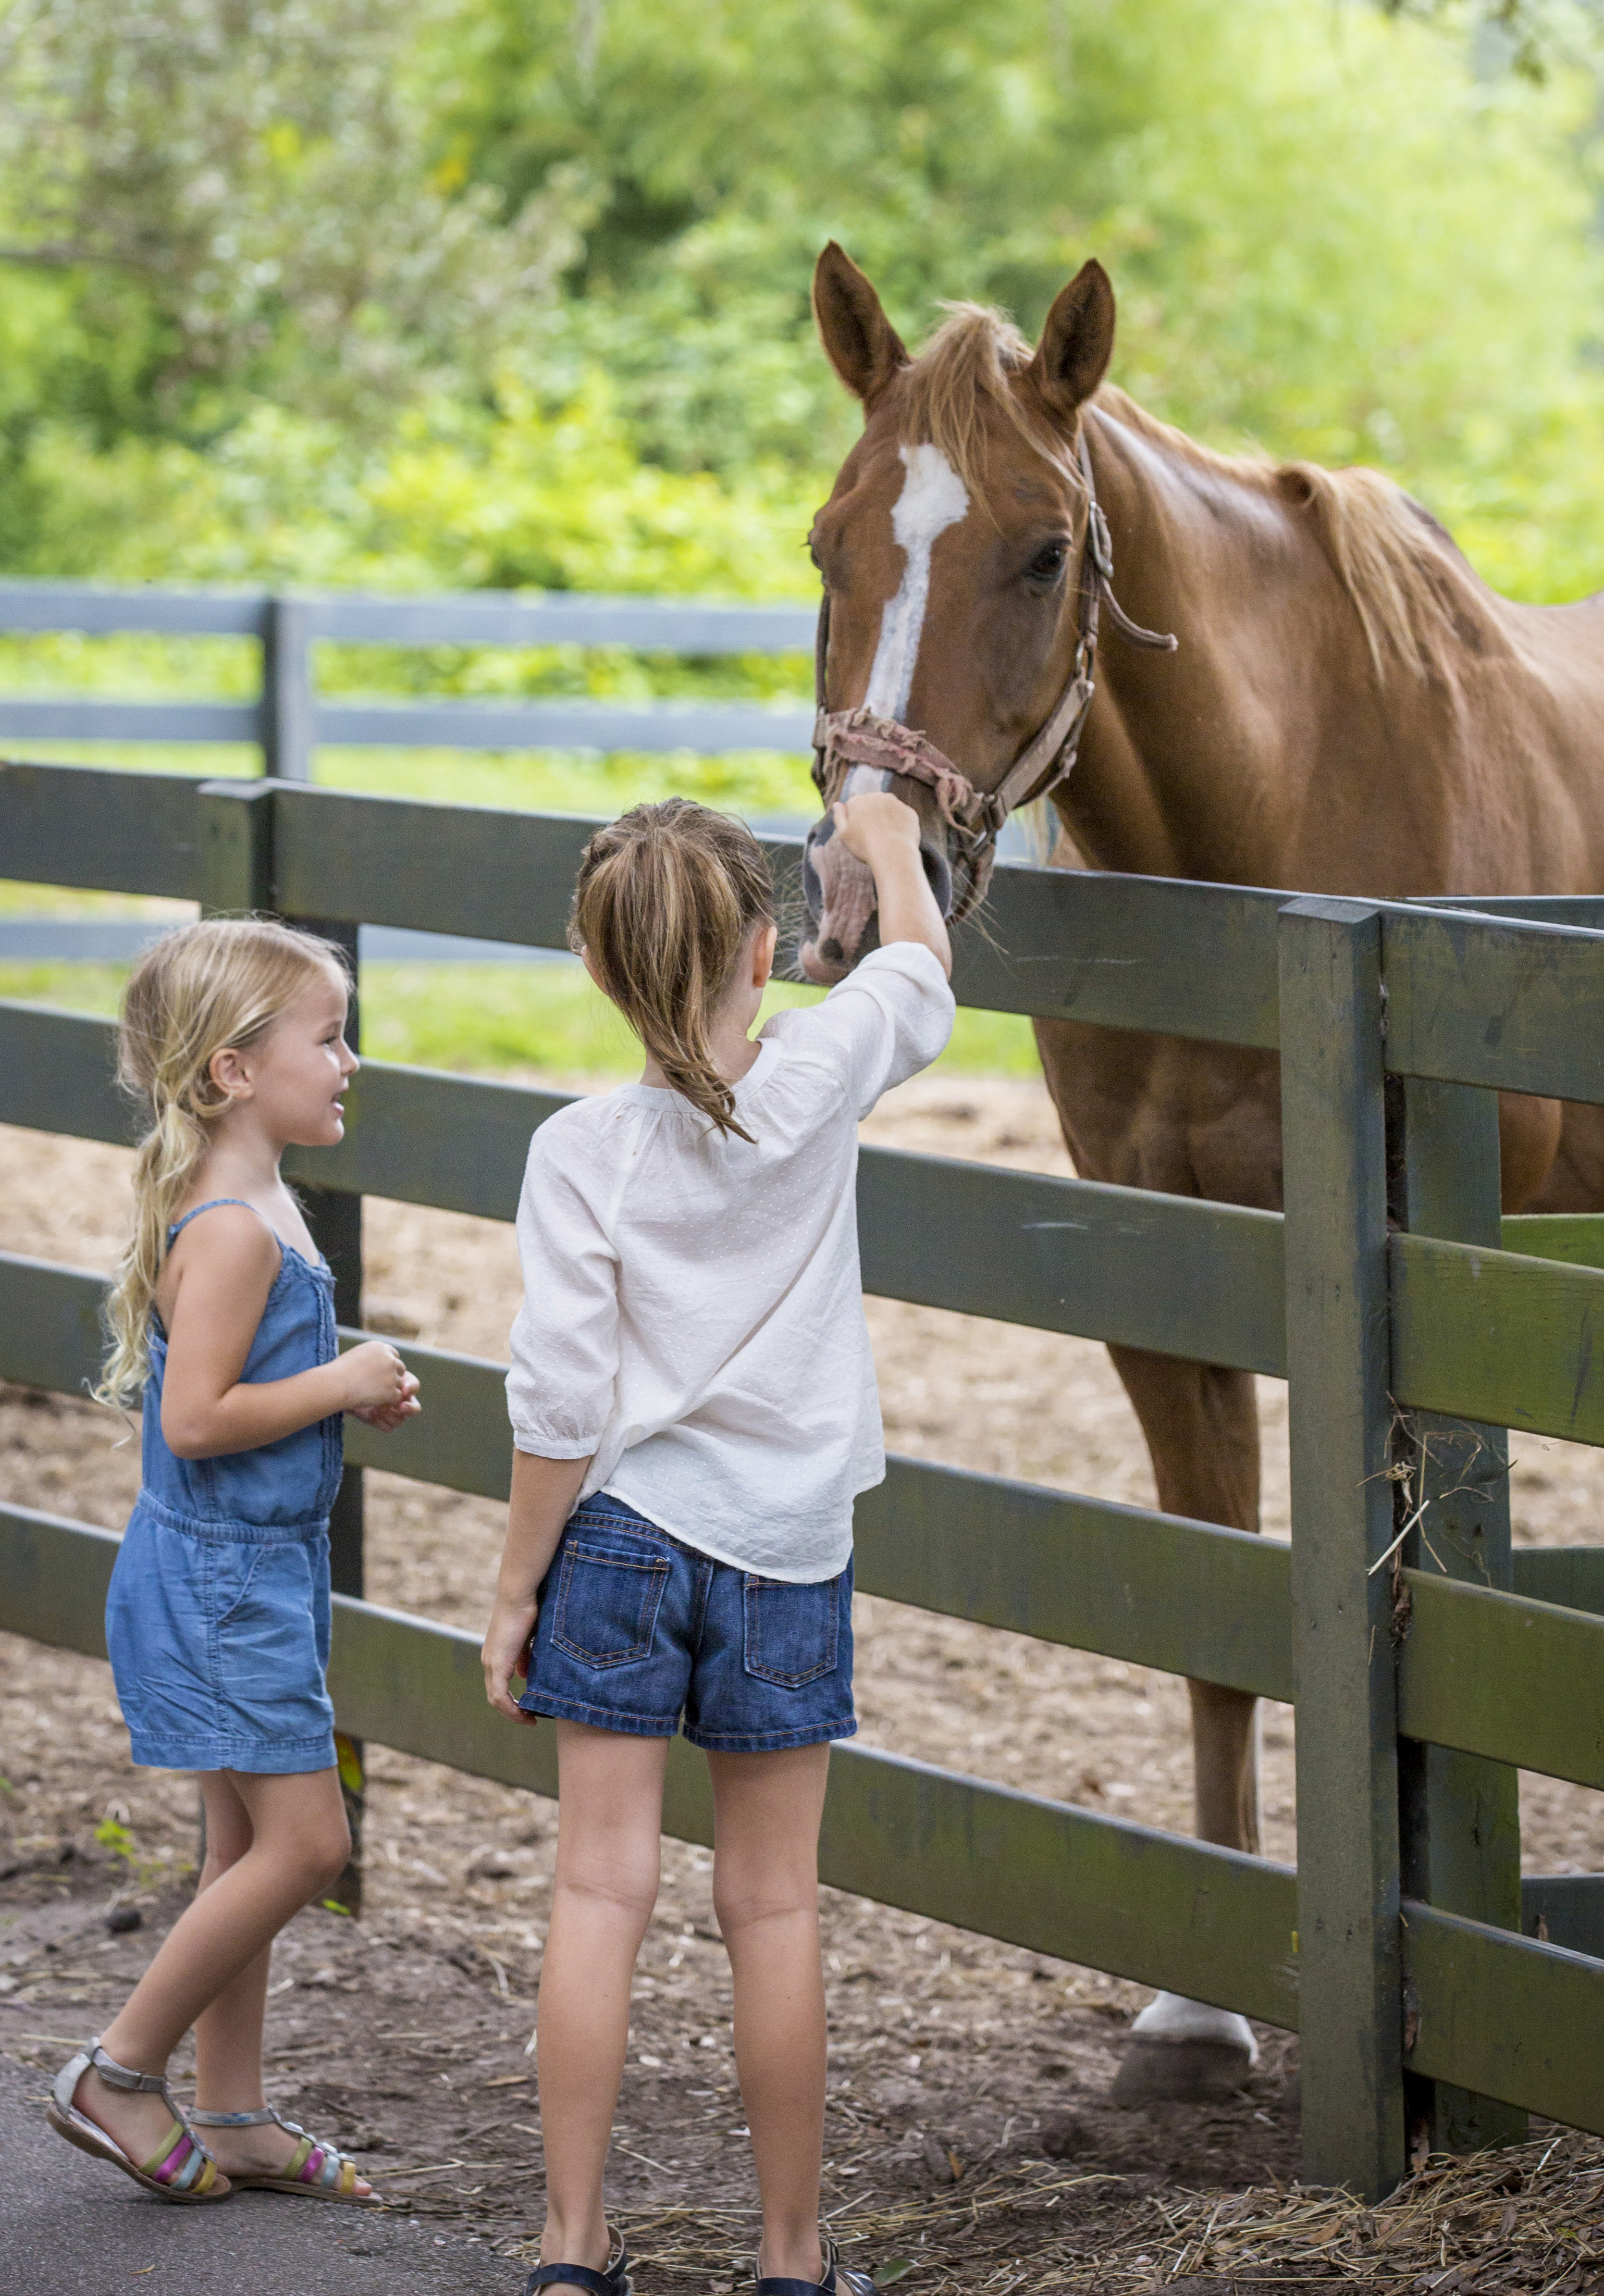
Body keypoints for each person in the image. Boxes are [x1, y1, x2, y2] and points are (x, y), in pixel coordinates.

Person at [481, 791, 955, 2296]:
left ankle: (572, 2251)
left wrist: (514, 1590)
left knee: (595, 1892)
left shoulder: (577, 1153)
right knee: (773, 1906)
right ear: (765, 950)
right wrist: (886, 838)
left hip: (620, 1542)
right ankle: (792, 2261)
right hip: (786, 1549)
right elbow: (922, 971)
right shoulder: (818, 1070)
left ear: (594, 965)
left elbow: (562, 1405)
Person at [48, 916, 420, 2206]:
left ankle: (234, 2112)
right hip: (223, 1584)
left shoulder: (258, 1202)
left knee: (242, 1848)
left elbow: (228, 1392)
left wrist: (332, 1387)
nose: (350, 1062)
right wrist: (342, 1381)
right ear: (233, 1071)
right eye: (329, 1039)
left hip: (251, 1569)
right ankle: (119, 2072)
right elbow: (198, 1420)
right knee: (308, 1846)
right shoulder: (236, 1227)